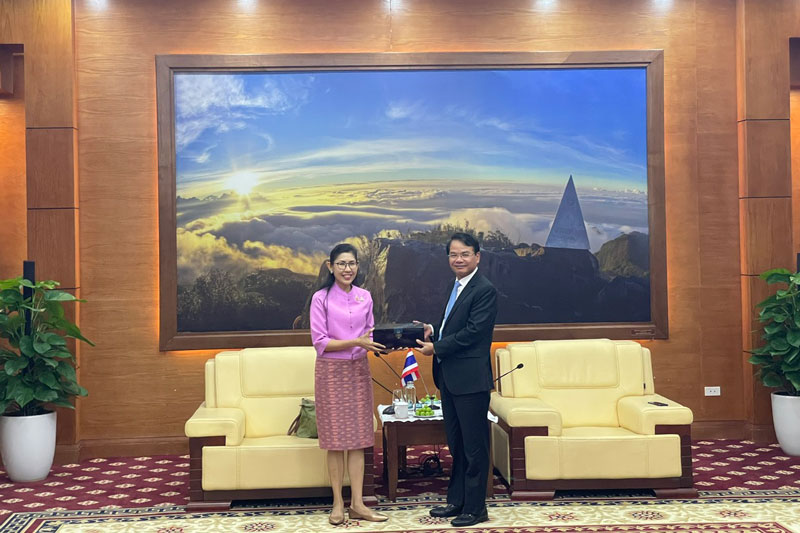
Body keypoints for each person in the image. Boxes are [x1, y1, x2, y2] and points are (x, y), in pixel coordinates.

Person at [415, 232, 498, 527]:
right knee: (457, 444)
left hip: (471, 381)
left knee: (474, 447)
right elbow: (454, 327)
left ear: (477, 256)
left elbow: (474, 333)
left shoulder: (484, 289)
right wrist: (432, 330)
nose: (458, 259)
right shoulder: (457, 286)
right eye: (453, 254)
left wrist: (436, 347)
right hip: (450, 379)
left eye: (464, 254)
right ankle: (458, 501)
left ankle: (476, 509)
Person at [309, 243, 388, 525]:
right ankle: (337, 504)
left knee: (357, 441)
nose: (347, 269)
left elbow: (370, 333)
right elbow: (320, 343)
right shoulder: (320, 298)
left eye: (352, 263)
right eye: (341, 264)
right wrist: (357, 342)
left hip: (358, 370)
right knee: (335, 442)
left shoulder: (364, 296)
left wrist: (383, 345)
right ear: (330, 267)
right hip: (331, 371)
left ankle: (358, 504)